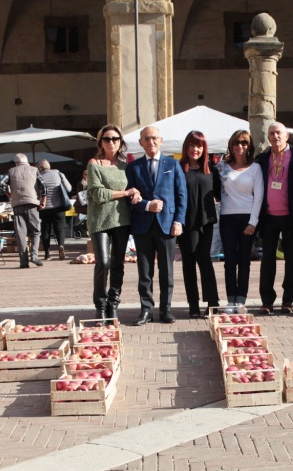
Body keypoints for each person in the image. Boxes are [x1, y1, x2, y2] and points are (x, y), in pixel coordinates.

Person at [125, 126, 186, 325]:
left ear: (161, 140)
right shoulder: (134, 168)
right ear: (141, 142)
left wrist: (178, 221)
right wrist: (146, 205)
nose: (150, 142)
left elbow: (181, 196)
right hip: (143, 225)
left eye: (154, 138)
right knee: (145, 271)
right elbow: (128, 197)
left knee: (167, 271)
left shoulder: (173, 164)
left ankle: (166, 310)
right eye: (146, 138)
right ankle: (146, 310)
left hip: (167, 226)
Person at [87, 124, 139, 319]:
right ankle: (100, 306)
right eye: (107, 139)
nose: (111, 142)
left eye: (115, 139)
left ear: (121, 143)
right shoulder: (94, 164)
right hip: (100, 220)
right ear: (100, 142)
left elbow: (135, 188)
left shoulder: (126, 166)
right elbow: (97, 194)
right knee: (103, 262)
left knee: (118, 263)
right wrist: (126, 192)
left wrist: (136, 192)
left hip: (122, 220)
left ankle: (113, 304)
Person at [254, 122, 293, 315]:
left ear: (286, 136)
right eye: (272, 133)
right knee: (267, 259)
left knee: (292, 260)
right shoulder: (261, 159)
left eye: (279, 133)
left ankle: (288, 300)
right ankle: (267, 301)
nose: (275, 137)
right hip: (268, 217)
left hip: (291, 217)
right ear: (268, 137)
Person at [215, 129, 263, 313]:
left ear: (249, 146)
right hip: (227, 217)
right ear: (231, 145)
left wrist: (253, 222)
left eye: (244, 143)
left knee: (244, 260)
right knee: (229, 260)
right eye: (236, 142)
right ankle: (230, 299)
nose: (240, 146)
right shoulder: (222, 167)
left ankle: (241, 299)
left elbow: (258, 197)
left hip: (247, 217)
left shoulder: (255, 168)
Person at [179, 131, 220, 317]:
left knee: (204, 259)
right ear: (186, 147)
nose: (195, 149)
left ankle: (213, 303)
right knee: (188, 262)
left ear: (204, 148)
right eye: (191, 145)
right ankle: (193, 305)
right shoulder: (179, 168)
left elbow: (220, 193)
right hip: (185, 223)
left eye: (199, 146)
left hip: (206, 221)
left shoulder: (211, 168)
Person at [8, 152, 46, 268]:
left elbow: (1, 185)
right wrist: (43, 201)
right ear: (26, 161)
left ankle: (23, 262)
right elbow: (43, 186)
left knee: (21, 234)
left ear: (16, 162)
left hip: (17, 204)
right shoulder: (34, 170)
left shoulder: (11, 171)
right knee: (35, 231)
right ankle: (34, 255)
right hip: (32, 203)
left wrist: (10, 195)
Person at [37, 159, 73, 260]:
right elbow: (69, 188)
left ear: (38, 167)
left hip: (44, 207)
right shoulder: (58, 173)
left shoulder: (38, 176)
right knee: (59, 228)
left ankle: (47, 253)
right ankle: (61, 245)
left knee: (45, 229)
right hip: (59, 206)